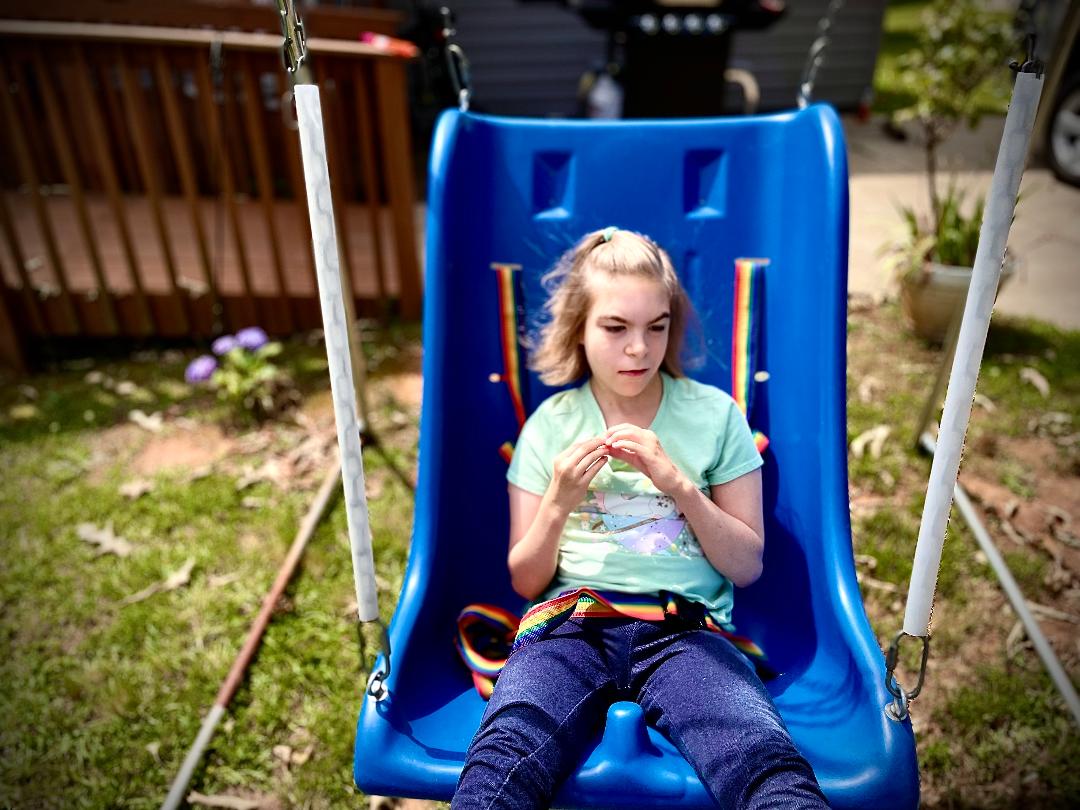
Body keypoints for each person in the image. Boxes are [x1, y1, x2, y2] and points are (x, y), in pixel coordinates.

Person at [452, 228, 829, 809]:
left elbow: (746, 565)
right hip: (568, 627)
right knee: (505, 756)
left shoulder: (714, 416)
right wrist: (556, 500)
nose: (639, 349)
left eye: (656, 327)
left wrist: (679, 485)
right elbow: (525, 580)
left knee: (762, 761)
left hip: (685, 631)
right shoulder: (551, 424)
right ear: (579, 327)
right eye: (616, 328)